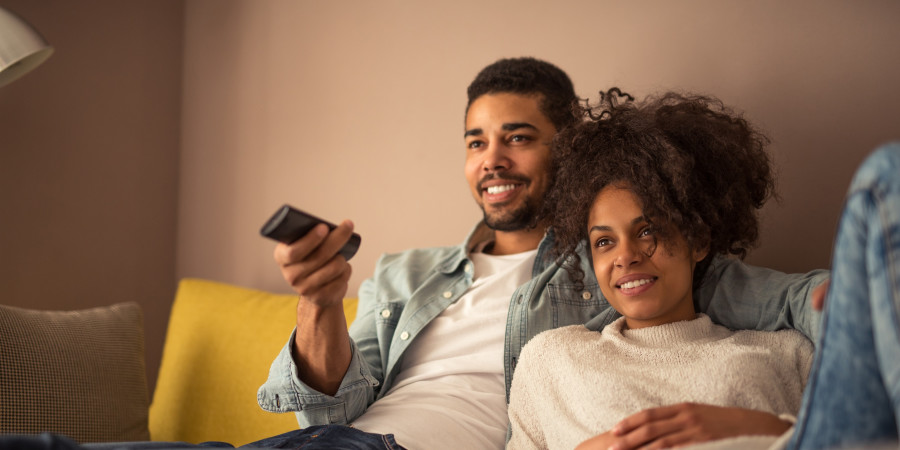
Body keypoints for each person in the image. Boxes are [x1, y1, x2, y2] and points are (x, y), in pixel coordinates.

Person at [255, 58, 828, 450]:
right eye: (476, 142)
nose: (492, 159)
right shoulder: (403, 273)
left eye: (518, 137)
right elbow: (328, 412)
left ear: (569, 147)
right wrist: (319, 301)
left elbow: (806, 301)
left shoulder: (614, 264)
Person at [506, 89, 900, 450]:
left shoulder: (786, 353)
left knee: (888, 173)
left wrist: (761, 428)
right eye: (604, 242)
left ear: (698, 241)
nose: (625, 256)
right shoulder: (550, 360)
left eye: (648, 231)